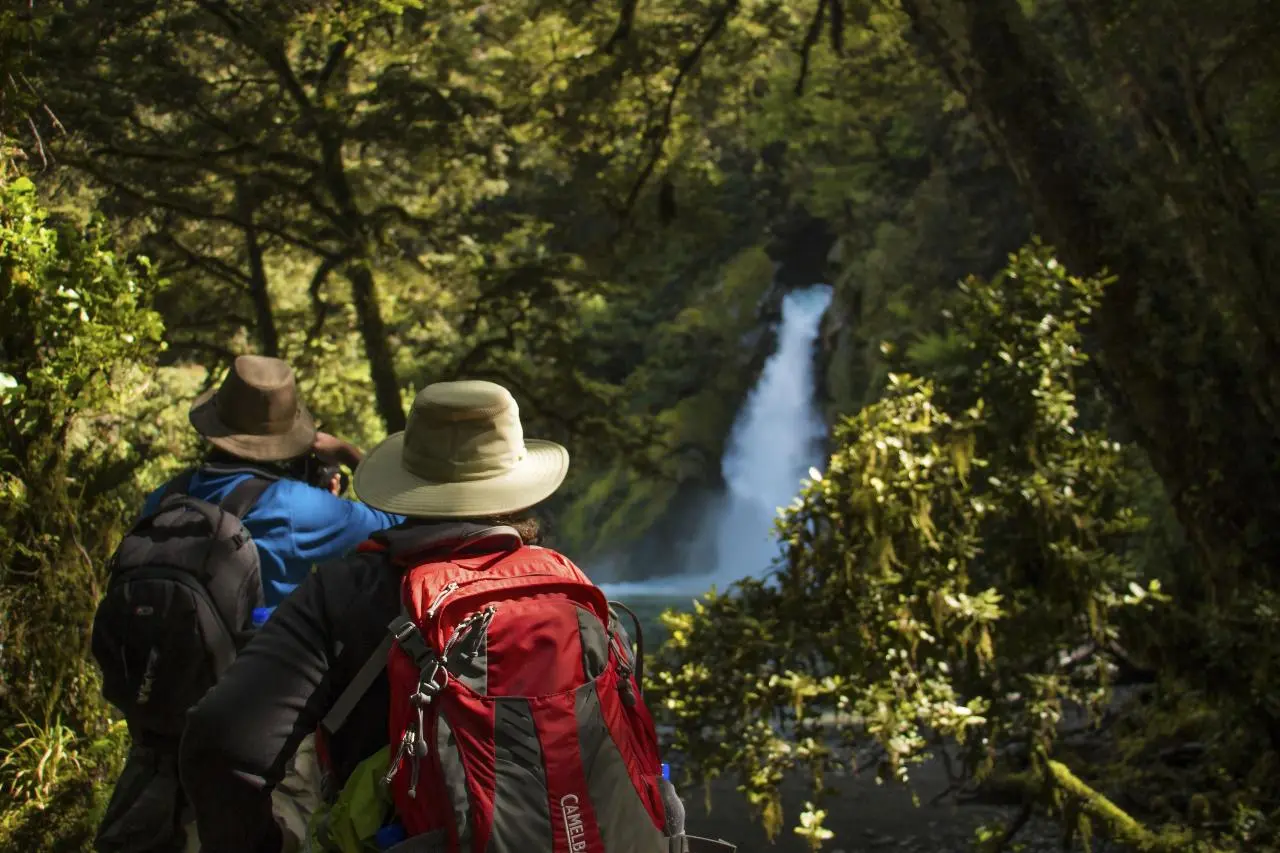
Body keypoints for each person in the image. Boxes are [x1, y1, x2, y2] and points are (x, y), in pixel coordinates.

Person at [179, 380, 728, 853]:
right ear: (519, 486)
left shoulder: (346, 590)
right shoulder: (568, 587)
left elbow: (220, 740)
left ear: (409, 483)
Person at [141, 354, 405, 608]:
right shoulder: (291, 506)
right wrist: (347, 453)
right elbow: (398, 522)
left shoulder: (165, 497)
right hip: (263, 641)